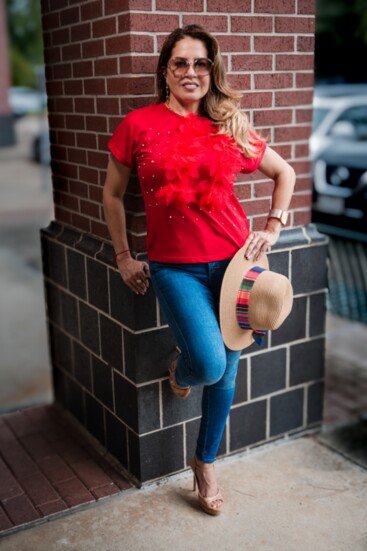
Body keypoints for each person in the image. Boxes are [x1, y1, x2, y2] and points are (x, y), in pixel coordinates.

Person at [103, 24, 295, 516]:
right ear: (165, 71)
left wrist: (272, 226)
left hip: (236, 265)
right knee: (208, 364)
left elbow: (284, 173)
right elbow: (112, 195)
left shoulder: (227, 124)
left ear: (212, 71)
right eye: (181, 63)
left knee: (228, 370)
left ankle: (204, 462)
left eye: (201, 63)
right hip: (174, 268)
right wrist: (124, 256)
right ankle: (181, 365)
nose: (191, 72)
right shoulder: (138, 125)